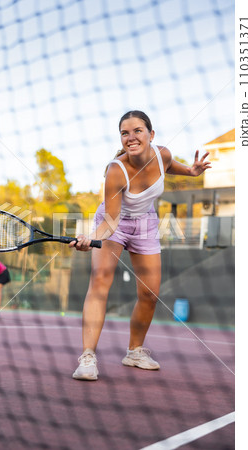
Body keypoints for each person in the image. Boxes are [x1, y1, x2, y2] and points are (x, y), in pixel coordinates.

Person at [69, 110, 211, 380]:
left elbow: (171, 167)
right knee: (100, 281)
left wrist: (192, 171)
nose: (131, 137)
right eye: (125, 132)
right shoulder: (115, 170)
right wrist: (91, 238)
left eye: (137, 131)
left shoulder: (163, 154)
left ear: (151, 134)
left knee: (150, 293)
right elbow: (111, 219)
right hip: (114, 222)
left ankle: (134, 351)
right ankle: (87, 357)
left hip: (145, 223)